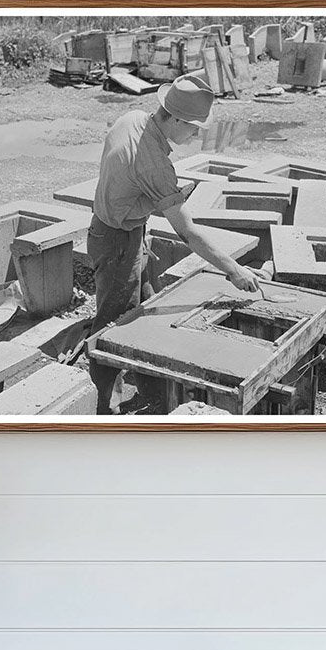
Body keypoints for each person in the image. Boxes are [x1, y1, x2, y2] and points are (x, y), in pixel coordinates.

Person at [87, 74, 261, 414]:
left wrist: (151, 199)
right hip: (117, 243)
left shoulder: (133, 118)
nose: (195, 136)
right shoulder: (155, 164)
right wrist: (234, 270)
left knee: (147, 307)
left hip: (113, 229)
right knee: (112, 325)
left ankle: (151, 388)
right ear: (177, 119)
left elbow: (125, 174)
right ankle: (105, 407)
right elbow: (188, 233)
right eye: (194, 128)